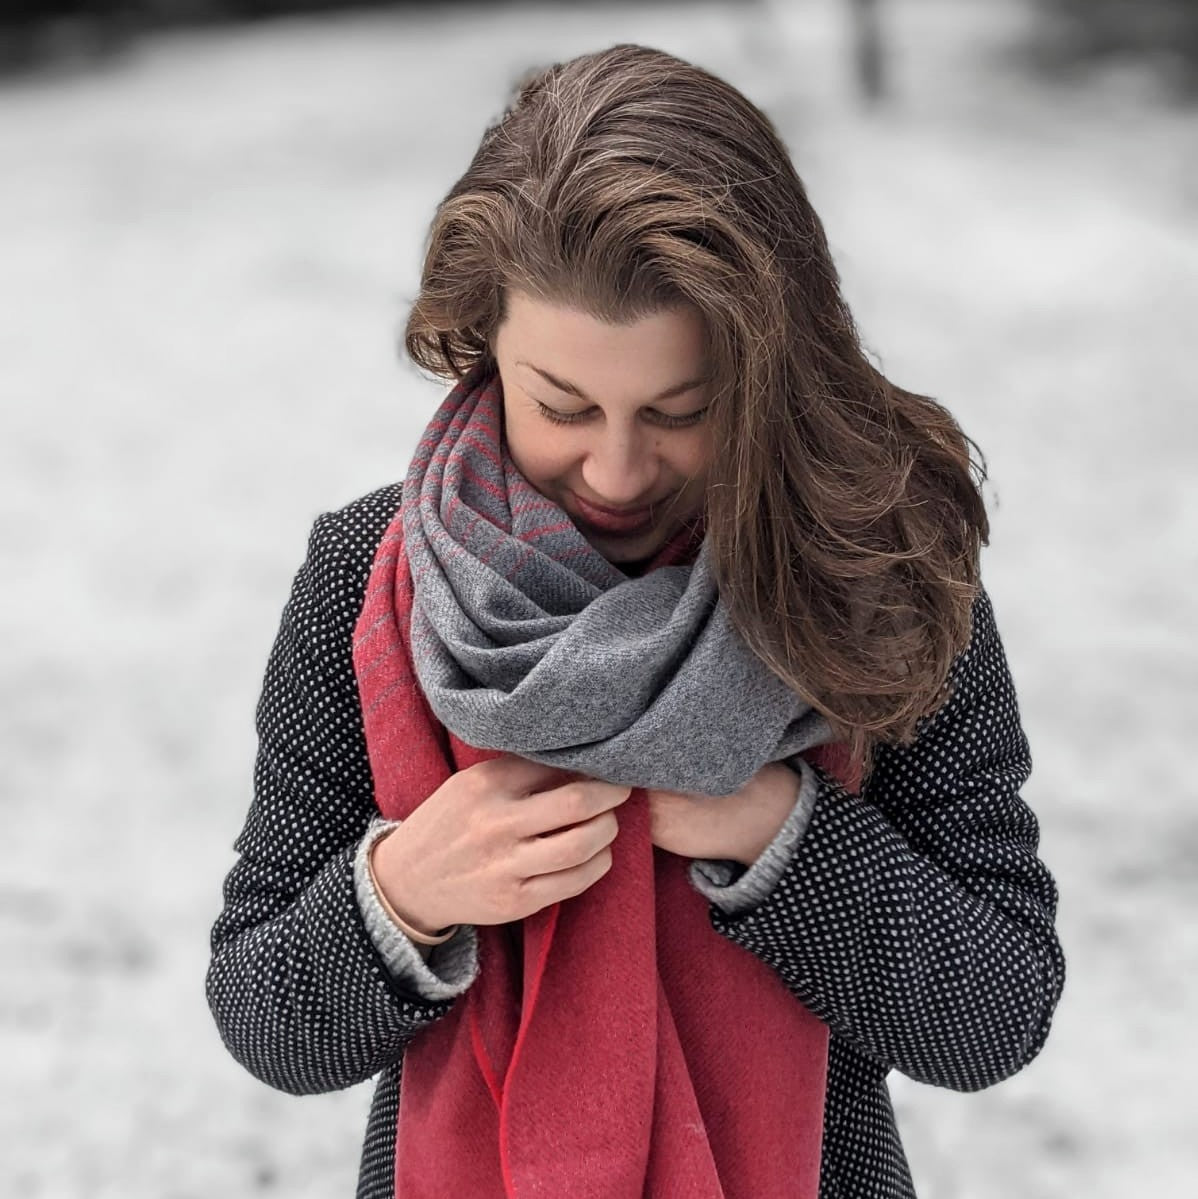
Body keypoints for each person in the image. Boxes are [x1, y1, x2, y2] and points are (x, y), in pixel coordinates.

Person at [206, 43, 1066, 1199]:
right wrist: (405, 890)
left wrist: (780, 836)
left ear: (770, 374)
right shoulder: (368, 578)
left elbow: (995, 1010)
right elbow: (265, 1020)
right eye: (561, 405)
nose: (614, 469)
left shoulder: (870, 570)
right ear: (481, 346)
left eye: (680, 411)